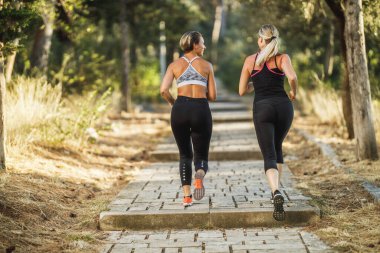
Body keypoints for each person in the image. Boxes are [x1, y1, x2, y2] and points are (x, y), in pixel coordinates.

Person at [238, 24, 297, 221]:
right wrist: (294, 92)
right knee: (277, 146)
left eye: (259, 39)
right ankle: (278, 190)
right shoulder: (282, 58)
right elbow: (292, 77)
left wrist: (257, 83)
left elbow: (241, 90)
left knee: (269, 154)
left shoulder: (250, 60)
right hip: (284, 107)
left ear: (262, 40)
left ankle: (275, 192)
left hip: (262, 108)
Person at [160, 31, 217, 207]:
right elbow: (213, 96)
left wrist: (174, 104)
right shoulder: (207, 66)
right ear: (194, 45)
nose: (205, 46)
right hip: (200, 109)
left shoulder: (174, 65)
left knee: (185, 155)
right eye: (203, 43)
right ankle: (199, 172)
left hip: (180, 109)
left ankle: (186, 197)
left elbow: (163, 90)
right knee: (200, 154)